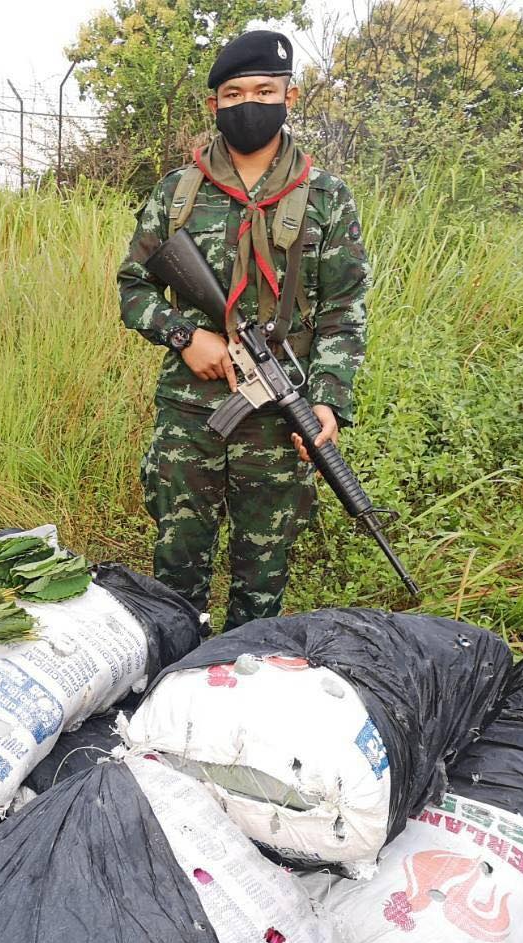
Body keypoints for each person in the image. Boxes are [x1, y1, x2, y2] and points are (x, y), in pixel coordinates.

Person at [117, 29, 369, 633]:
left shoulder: (327, 198)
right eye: (234, 93)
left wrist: (329, 404)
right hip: (190, 414)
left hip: (282, 417)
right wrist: (184, 335)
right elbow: (134, 286)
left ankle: (236, 680)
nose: (249, 103)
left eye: (264, 90)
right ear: (214, 105)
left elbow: (344, 308)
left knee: (262, 580)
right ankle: (169, 675)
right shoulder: (178, 192)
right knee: (177, 571)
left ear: (291, 95)